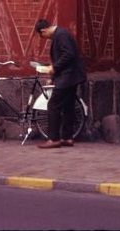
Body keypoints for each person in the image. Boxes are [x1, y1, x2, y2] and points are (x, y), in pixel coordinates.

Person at [34, 19, 87, 149]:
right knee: (68, 106)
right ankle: (67, 138)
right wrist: (53, 76)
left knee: (53, 104)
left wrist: (54, 68)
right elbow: (65, 57)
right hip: (71, 76)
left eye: (42, 36)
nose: (45, 39)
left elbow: (68, 55)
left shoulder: (61, 35)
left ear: (43, 30)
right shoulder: (61, 34)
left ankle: (54, 138)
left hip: (68, 76)